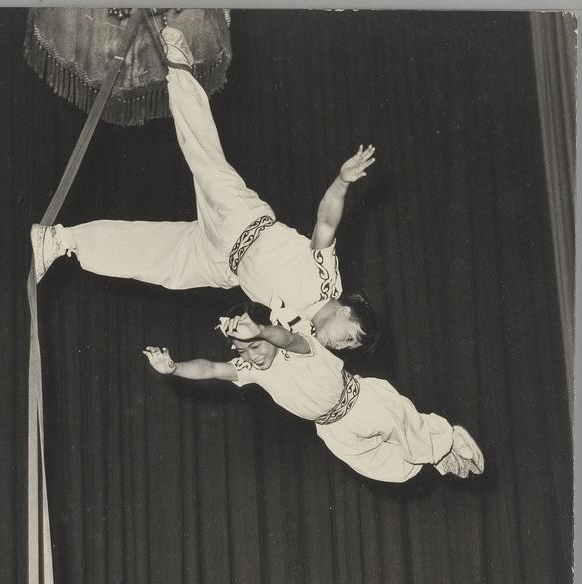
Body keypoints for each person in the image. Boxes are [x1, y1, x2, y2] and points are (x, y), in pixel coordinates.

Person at [31, 25, 379, 354]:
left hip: (221, 265)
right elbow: (326, 223)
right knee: (202, 152)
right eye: (349, 338)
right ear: (344, 312)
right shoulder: (326, 282)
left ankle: (60, 240)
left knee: (156, 260)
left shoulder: (304, 331)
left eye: (348, 348)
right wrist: (342, 181)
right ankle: (180, 66)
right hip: (244, 223)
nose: (342, 346)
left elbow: (284, 345)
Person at [142, 302, 484, 484]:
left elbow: (286, 338)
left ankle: (446, 442)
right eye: (243, 350)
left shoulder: (299, 346)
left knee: (407, 430)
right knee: (387, 470)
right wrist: (174, 368)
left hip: (360, 401)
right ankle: (433, 459)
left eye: (256, 346)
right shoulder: (254, 369)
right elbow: (213, 369)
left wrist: (260, 329)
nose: (252, 355)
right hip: (333, 428)